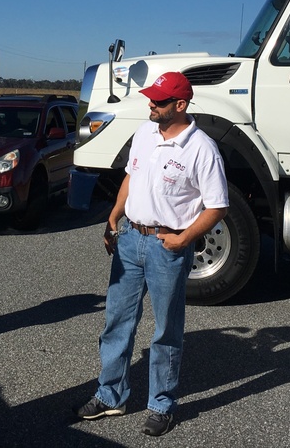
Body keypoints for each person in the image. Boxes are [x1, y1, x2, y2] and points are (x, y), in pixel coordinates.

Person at [74, 71, 229, 438]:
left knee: (166, 331)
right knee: (117, 322)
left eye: (158, 101)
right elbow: (131, 175)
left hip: (167, 247)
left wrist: (184, 238)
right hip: (129, 238)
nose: (151, 105)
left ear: (181, 105)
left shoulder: (201, 148)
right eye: (151, 99)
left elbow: (218, 206)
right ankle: (111, 395)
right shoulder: (145, 133)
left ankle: (161, 403)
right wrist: (114, 216)